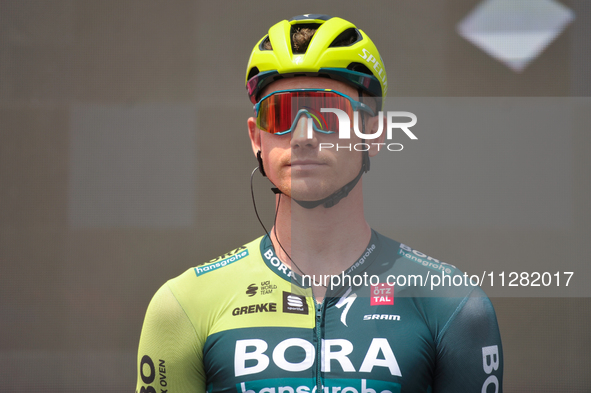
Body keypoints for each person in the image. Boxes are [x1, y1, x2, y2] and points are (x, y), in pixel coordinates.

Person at [136, 14, 503, 393]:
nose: (304, 136)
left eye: (328, 112)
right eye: (280, 114)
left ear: (374, 133)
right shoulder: (183, 306)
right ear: (256, 137)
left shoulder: (453, 305)